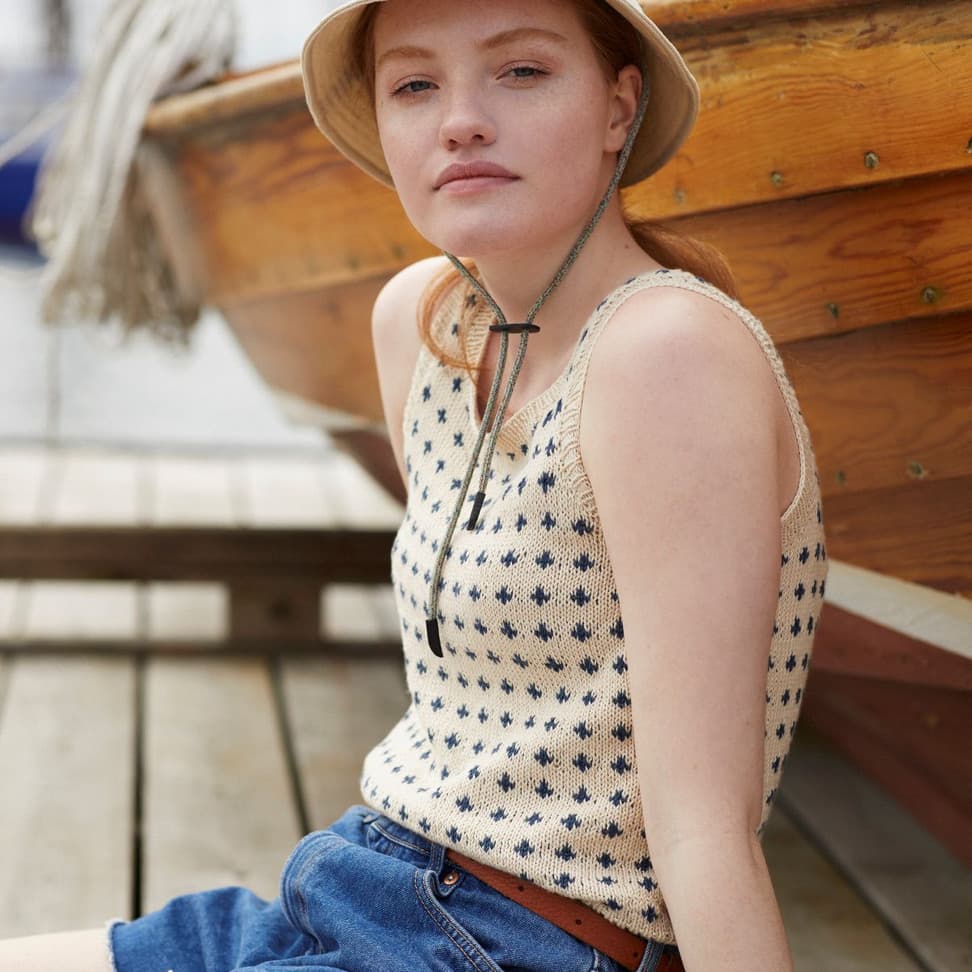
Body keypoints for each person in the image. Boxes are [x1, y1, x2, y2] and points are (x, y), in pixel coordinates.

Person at [1, 0, 828, 970]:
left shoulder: (667, 353)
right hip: (363, 876)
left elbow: (704, 830)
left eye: (521, 71)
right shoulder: (423, 324)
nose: (461, 120)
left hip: (526, 940)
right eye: (415, 84)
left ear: (619, 107)